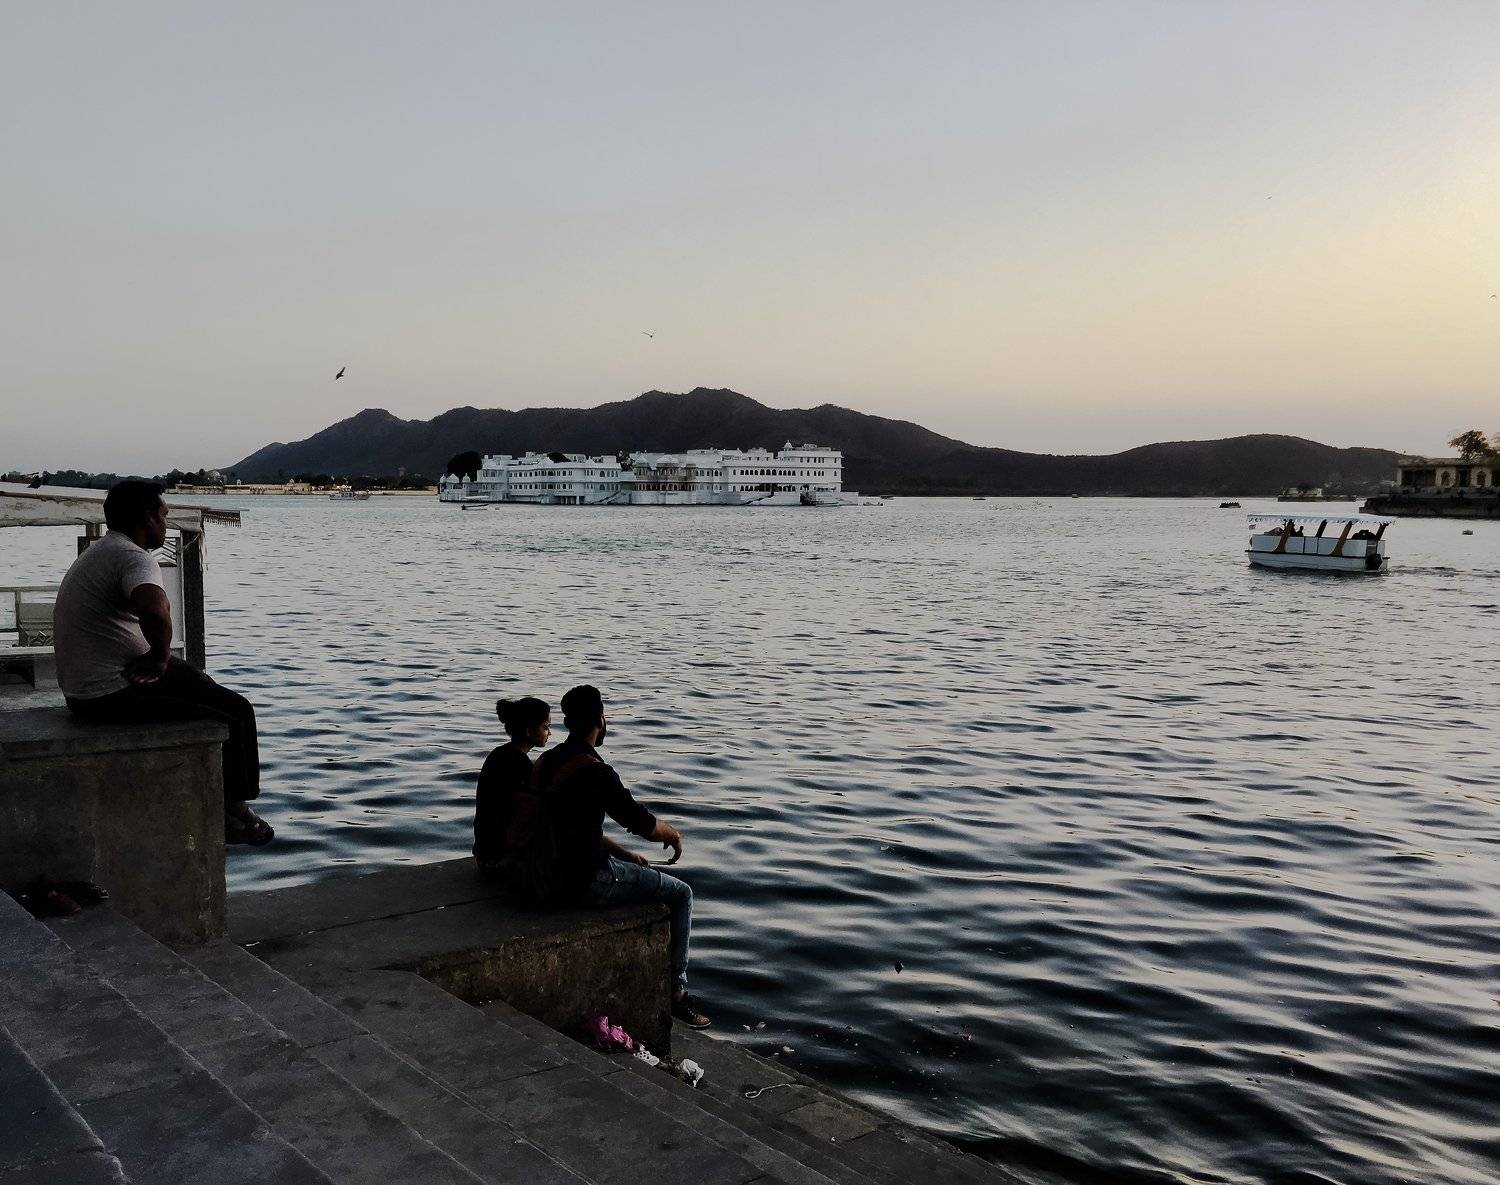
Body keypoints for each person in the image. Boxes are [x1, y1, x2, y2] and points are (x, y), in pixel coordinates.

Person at [54, 480, 274, 846]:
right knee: (237, 711)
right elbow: (155, 611)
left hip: (86, 689)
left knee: (199, 681)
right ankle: (234, 813)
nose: (166, 523)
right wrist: (158, 657)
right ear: (148, 518)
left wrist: (164, 660)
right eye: (163, 515)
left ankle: (233, 806)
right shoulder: (134, 558)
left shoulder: (104, 551)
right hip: (108, 695)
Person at [534, 684, 710, 1029]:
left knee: (633, 872)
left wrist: (625, 854)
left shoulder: (548, 761)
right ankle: (676, 992)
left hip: (544, 871)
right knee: (682, 894)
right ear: (600, 720)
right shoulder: (596, 771)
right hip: (586, 881)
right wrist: (673, 836)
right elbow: (643, 824)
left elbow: (574, 828)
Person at [473, 696, 551, 877]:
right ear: (529, 731)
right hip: (501, 861)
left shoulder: (498, 754)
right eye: (545, 727)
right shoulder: (521, 765)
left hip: (484, 855)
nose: (549, 733)